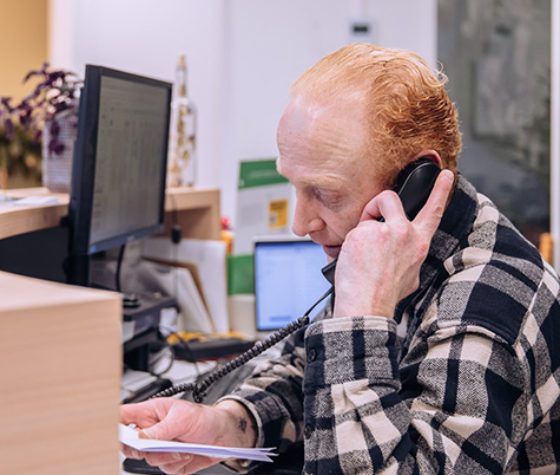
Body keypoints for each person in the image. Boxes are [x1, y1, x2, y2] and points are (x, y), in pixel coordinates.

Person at [121, 43, 560, 474]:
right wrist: (224, 426)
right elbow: (306, 375)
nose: (300, 223)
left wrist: (361, 315)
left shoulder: (488, 307)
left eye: (325, 193)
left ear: (417, 183)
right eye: (294, 186)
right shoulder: (389, 248)